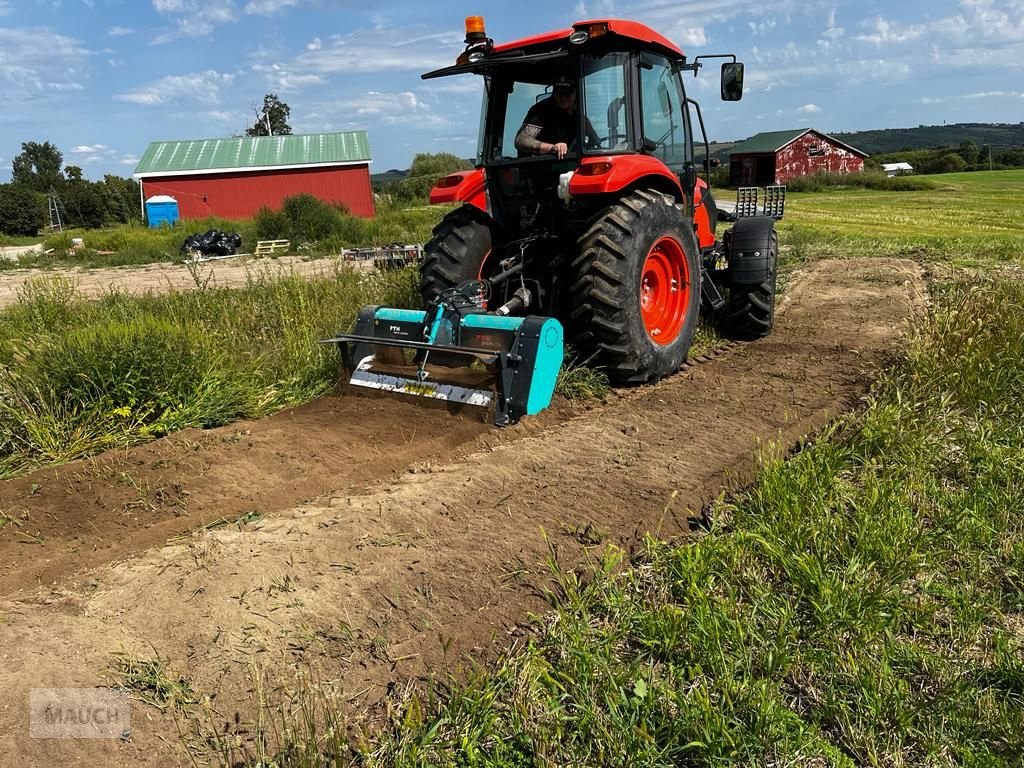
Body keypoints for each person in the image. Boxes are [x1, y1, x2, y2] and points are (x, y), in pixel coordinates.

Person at [514, 75, 601, 159]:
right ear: (554, 92)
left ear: (576, 92)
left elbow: (595, 141)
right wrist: (552, 148)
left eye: (568, 93)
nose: (563, 97)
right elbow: (521, 140)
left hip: (572, 167)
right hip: (545, 168)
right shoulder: (542, 110)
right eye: (560, 93)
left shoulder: (579, 116)